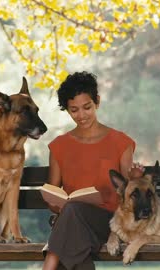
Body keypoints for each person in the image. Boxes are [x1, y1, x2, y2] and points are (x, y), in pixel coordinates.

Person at [42, 71, 140, 270]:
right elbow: (54, 196)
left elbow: (128, 195)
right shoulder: (59, 146)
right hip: (72, 222)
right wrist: (56, 204)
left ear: (97, 102)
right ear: (67, 110)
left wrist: (135, 179)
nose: (81, 115)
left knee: (72, 219)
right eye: (74, 110)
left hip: (109, 224)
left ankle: (48, 264)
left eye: (87, 107)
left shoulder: (121, 143)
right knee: (72, 217)